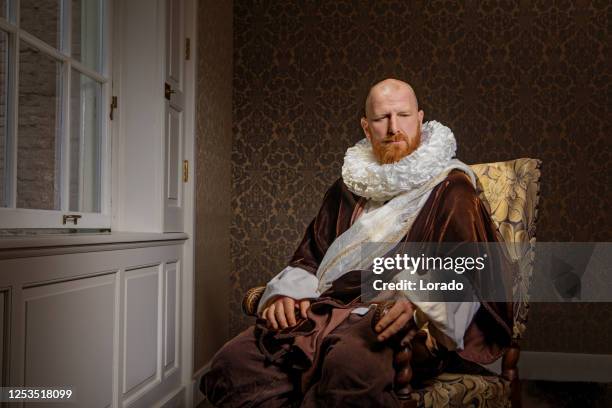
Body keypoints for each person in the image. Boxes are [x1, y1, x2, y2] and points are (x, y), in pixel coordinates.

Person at [201, 78, 513, 407]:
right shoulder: (347, 189)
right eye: (381, 119)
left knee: (348, 369)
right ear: (367, 128)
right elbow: (312, 256)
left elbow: (473, 267)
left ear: (420, 118)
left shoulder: (452, 189)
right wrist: (286, 294)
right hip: (328, 309)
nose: (394, 128)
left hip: (395, 320)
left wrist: (419, 299)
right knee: (233, 365)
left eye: (403, 115)